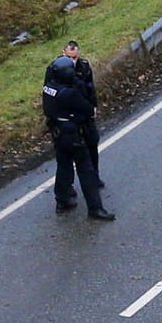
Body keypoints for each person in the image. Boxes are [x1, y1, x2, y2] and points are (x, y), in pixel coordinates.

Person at [42, 56, 115, 220]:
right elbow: (87, 109)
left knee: (64, 166)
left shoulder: (48, 88)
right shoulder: (69, 93)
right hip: (72, 134)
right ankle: (95, 208)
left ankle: (62, 200)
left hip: (57, 133)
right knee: (86, 170)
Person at [63, 40, 102, 187]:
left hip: (85, 113)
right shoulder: (58, 70)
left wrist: (93, 107)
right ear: (63, 54)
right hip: (70, 116)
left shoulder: (84, 66)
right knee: (69, 152)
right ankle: (68, 186)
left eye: (74, 58)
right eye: (69, 57)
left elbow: (90, 88)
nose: (72, 61)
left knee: (92, 144)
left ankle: (95, 177)